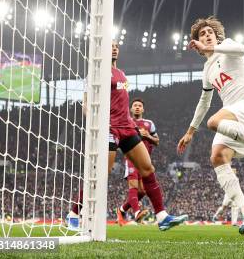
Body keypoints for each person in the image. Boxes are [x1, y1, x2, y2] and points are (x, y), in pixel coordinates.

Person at [67, 42, 186, 231]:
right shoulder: (96, 72)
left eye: (116, 46)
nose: (114, 48)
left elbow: (120, 103)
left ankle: (162, 216)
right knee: (101, 174)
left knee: (147, 168)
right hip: (109, 128)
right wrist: (96, 123)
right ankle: (74, 212)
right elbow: (87, 103)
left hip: (127, 127)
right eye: (110, 45)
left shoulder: (122, 74)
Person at [176, 17, 244, 234]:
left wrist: (212, 47)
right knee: (217, 157)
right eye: (202, 33)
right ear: (196, 42)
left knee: (214, 122)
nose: (207, 34)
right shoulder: (207, 70)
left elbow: (242, 49)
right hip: (233, 114)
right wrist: (190, 132)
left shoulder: (227, 46)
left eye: (209, 32)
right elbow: (204, 102)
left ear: (216, 36)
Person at [116, 98, 158, 225]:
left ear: (143, 109)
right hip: (131, 158)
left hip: (144, 161)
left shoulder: (149, 124)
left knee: (143, 191)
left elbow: (157, 141)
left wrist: (148, 136)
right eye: (135, 105)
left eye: (140, 105)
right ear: (131, 109)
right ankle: (136, 212)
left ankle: (122, 209)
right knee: (133, 186)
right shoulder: (126, 122)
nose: (137, 107)